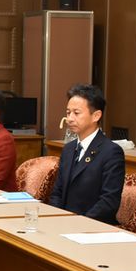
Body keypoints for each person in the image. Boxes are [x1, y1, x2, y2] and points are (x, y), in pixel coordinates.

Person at [49, 84, 125, 224]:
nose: (70, 118)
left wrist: (80, 223)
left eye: (76, 113)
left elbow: (109, 202)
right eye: (68, 113)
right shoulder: (68, 149)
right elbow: (57, 192)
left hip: (92, 226)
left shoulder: (111, 152)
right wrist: (56, 218)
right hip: (63, 223)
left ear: (96, 116)